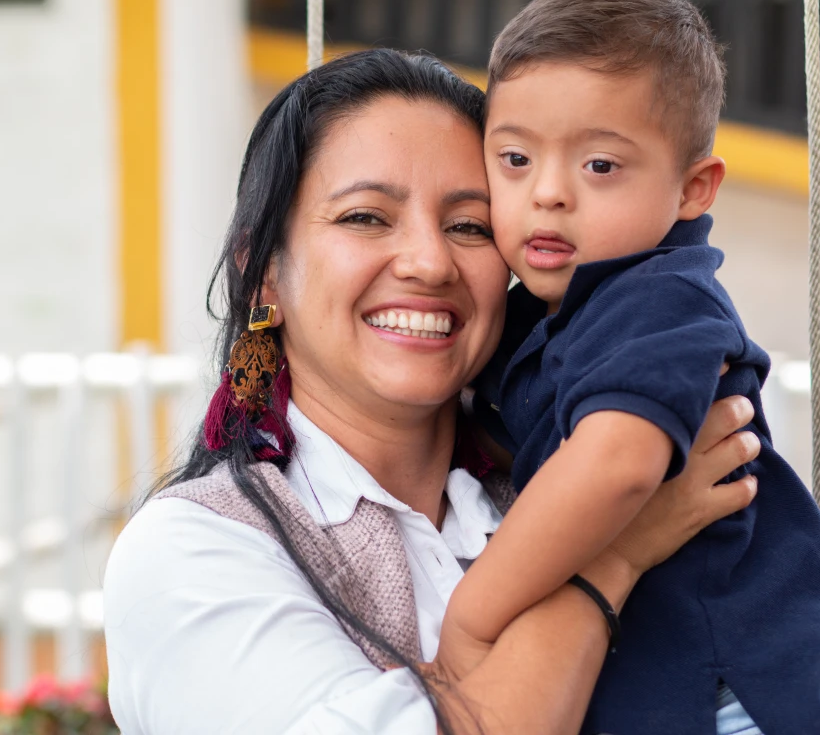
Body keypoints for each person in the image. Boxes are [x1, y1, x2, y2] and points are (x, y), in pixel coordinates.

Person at [102, 48, 759, 734]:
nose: (429, 261)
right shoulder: (192, 551)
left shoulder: (566, 478)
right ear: (263, 274)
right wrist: (608, 563)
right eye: (365, 217)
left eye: (469, 226)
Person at [450, 0, 820, 735]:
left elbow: (616, 465)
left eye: (600, 166)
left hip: (738, 692)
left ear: (692, 189)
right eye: (514, 160)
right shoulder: (535, 315)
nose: (548, 193)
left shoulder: (663, 300)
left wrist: (474, 617)